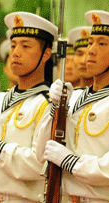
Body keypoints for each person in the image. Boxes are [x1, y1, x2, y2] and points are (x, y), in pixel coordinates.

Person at [0, 12, 57, 202]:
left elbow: (39, 165)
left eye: (25, 46)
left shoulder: (48, 104)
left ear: (46, 54)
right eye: (14, 45)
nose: (15, 52)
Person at [36, 10, 109, 202]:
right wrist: (54, 109)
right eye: (90, 42)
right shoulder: (74, 97)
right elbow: (41, 153)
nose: (91, 50)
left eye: (102, 43)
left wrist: (71, 162)